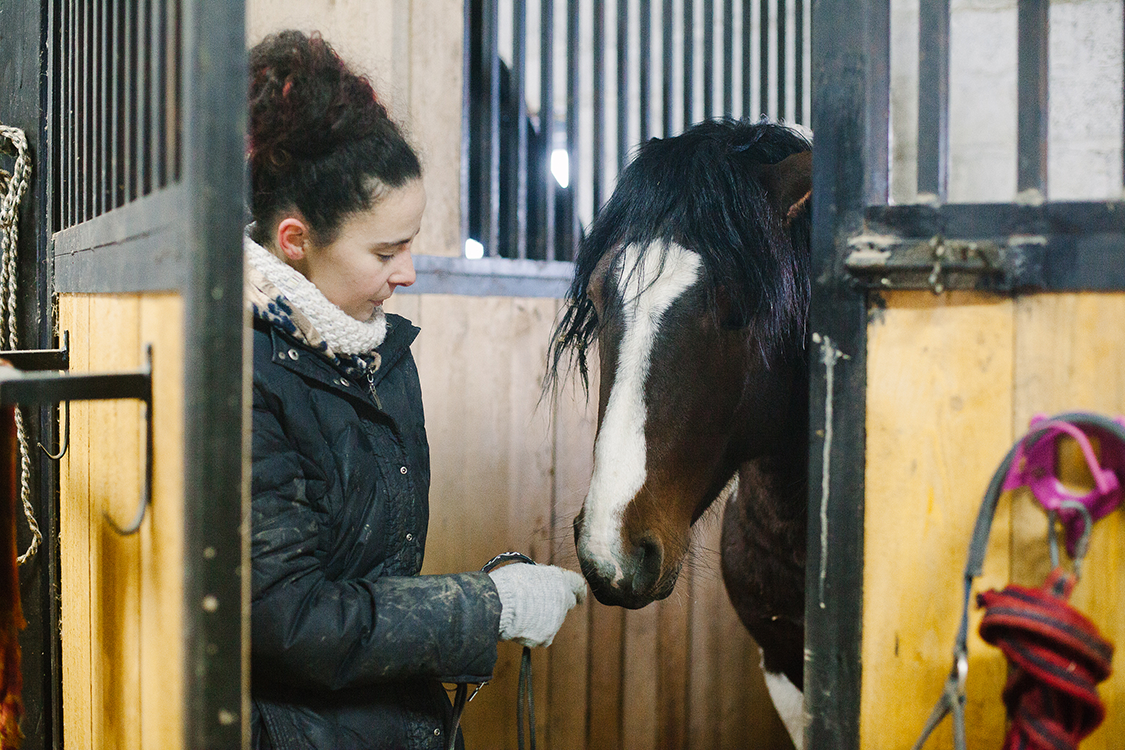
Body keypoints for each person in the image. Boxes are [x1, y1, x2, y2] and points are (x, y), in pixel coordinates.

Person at [245, 30, 587, 750]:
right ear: (294, 239)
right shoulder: (245, 372)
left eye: (411, 244)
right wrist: (485, 607)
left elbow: (374, 575)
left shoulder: (379, 355)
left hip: (397, 722)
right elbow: (286, 619)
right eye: (384, 252)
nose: (407, 273)